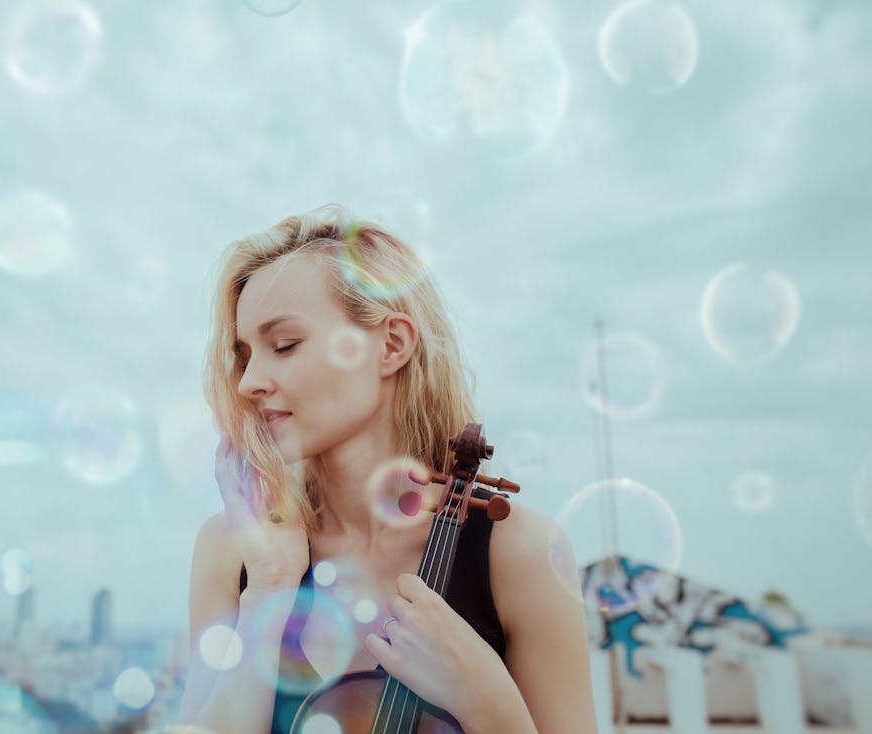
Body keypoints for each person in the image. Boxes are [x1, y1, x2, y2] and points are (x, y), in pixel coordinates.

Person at [176, 206, 596, 733]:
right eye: (244, 356)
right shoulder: (232, 549)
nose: (248, 382)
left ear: (392, 344)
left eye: (284, 345)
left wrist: (490, 702)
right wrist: (269, 587)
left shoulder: (519, 552)